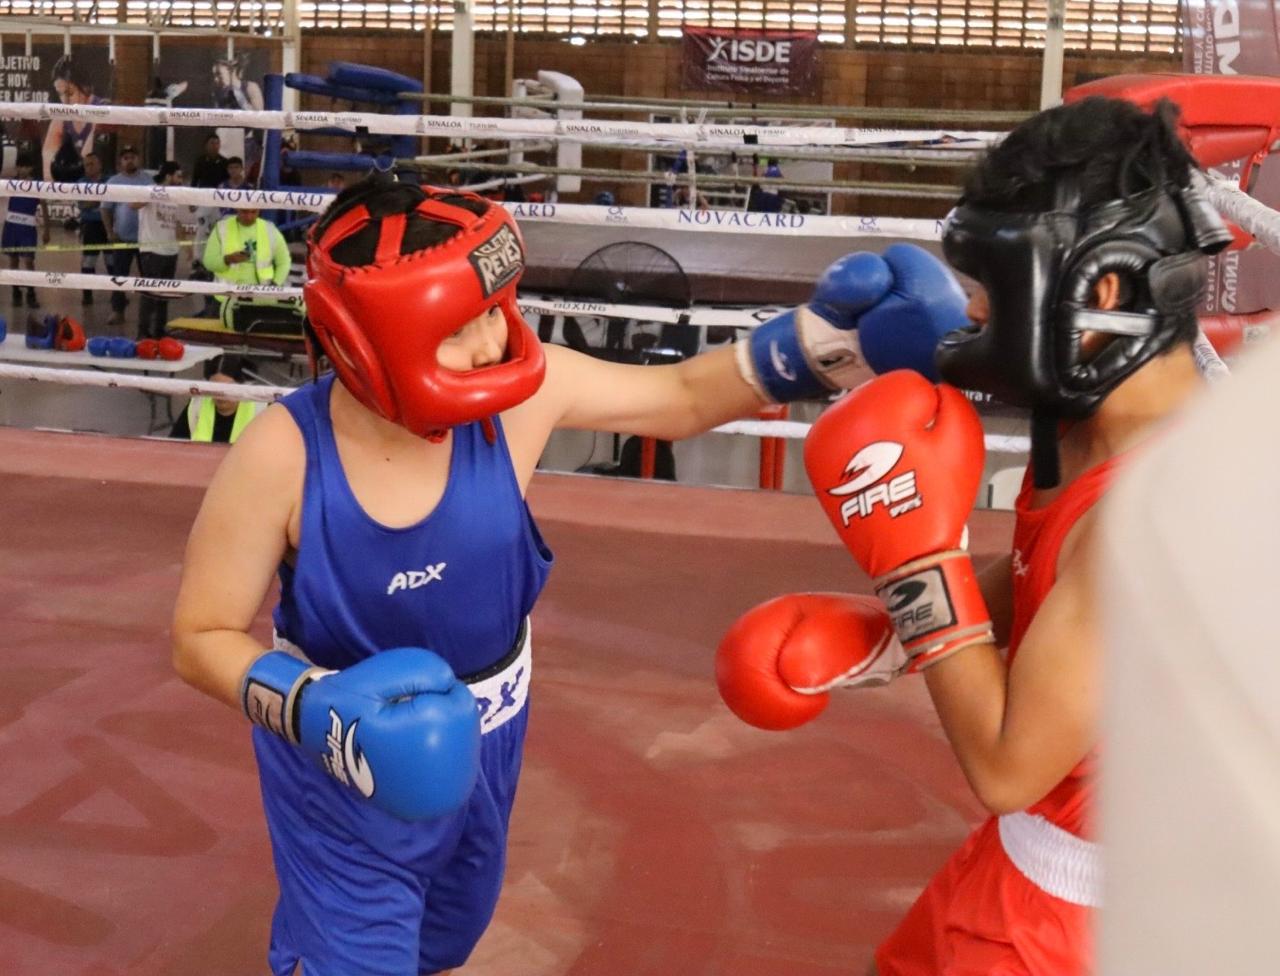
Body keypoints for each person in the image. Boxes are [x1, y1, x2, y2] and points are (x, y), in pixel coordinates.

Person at [170, 174, 967, 976]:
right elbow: (200, 636)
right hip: (339, 773)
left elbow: (681, 396)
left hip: (492, 747)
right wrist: (319, 713)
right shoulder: (283, 453)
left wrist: (831, 342)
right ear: (367, 338)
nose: (492, 342)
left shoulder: (515, 402)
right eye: (457, 329)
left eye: (493, 308)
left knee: (445, 941)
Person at [713, 97, 1233, 976]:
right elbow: (1046, 572)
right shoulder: (1089, 423)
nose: (972, 322)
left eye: (993, 297)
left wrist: (920, 563)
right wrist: (889, 638)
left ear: (1101, 291)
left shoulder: (1163, 514)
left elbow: (1006, 767)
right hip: (1019, 869)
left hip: (1083, 929)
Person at [130, 161, 198, 340]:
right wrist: (154, 195)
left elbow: (175, 223)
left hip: (170, 252)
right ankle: (143, 332)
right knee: (150, 294)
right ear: (168, 176)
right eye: (178, 176)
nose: (181, 180)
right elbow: (133, 205)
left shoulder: (174, 197)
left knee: (164, 294)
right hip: (152, 251)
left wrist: (186, 246)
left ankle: (160, 330)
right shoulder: (150, 189)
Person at [201, 206, 292, 331]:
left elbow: (284, 262)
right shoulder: (221, 228)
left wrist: (275, 284)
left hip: (259, 300)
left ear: (259, 210)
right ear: (237, 209)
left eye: (253, 212)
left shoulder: (270, 230)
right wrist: (227, 260)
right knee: (217, 341)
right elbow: (208, 262)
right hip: (225, 299)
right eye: (244, 212)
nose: (249, 216)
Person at [102, 145, 151, 326]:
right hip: (122, 238)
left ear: (138, 159)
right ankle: (117, 310)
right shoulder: (113, 182)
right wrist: (109, 231)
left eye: (133, 156)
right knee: (119, 276)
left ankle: (149, 311)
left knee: (148, 276)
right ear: (120, 162)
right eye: (125, 157)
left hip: (145, 239)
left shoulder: (148, 180)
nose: (129, 160)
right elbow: (105, 209)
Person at [170, 354, 263, 443]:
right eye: (214, 388)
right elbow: (173, 446)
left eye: (228, 388)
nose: (220, 395)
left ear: (243, 386)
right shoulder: (197, 406)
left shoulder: (261, 410)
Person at [43, 54, 107, 182]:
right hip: (75, 181)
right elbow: (48, 169)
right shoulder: (62, 116)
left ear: (85, 87)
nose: (65, 100)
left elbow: (87, 165)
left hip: (98, 180)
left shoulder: (101, 108)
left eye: (70, 93)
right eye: (60, 94)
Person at [2, 154, 50, 309]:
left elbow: (44, 206)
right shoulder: (11, 183)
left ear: (31, 168)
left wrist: (47, 229)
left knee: (29, 261)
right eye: (20, 166)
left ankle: (31, 293)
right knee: (13, 260)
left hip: (28, 227)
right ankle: (16, 292)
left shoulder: (37, 185)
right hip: (11, 226)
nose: (23, 169)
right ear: (17, 167)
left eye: (26, 166)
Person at [76, 151, 109, 305]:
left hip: (108, 224)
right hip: (91, 226)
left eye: (92, 164)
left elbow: (113, 204)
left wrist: (96, 202)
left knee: (112, 261)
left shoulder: (110, 181)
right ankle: (87, 295)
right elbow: (83, 205)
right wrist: (100, 200)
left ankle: (118, 295)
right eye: (86, 165)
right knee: (89, 261)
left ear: (100, 165)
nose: (89, 167)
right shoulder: (81, 183)